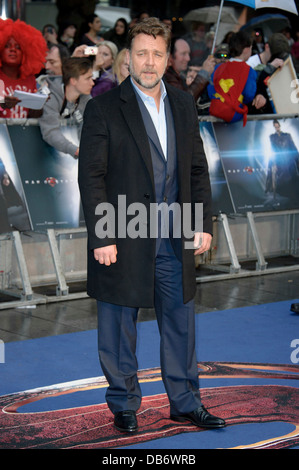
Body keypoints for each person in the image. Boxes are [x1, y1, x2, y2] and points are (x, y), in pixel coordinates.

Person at [78, 17, 226, 434]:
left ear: (166, 59)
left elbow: (197, 169)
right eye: (141, 53)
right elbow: (91, 176)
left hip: (174, 235)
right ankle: (123, 404)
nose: (149, 62)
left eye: (157, 54)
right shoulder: (104, 107)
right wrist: (102, 235)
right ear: (129, 57)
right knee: (118, 326)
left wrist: (202, 223)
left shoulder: (182, 104)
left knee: (181, 323)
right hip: (123, 235)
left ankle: (185, 401)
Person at [208, 31, 266, 126]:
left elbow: (210, 90)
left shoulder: (217, 68)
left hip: (215, 111)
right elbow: (249, 95)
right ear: (246, 50)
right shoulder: (249, 71)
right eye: (251, 48)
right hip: (234, 114)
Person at [39, 57, 93, 158]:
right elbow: (50, 132)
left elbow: (88, 127)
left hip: (66, 155)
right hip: (39, 152)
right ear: (73, 81)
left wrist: (89, 148)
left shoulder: (86, 98)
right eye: (87, 78)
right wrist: (75, 150)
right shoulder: (50, 97)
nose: (92, 83)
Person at [0, 18, 47, 119]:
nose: (13, 49)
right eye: (7, 46)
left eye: (18, 47)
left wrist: (39, 103)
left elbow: (34, 115)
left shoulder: (30, 79)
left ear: (26, 53)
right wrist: (2, 105)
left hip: (24, 133)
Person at [164, 37, 215, 102]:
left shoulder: (177, 76)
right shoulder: (168, 77)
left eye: (188, 54)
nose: (188, 58)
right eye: (183, 54)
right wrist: (204, 74)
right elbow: (184, 101)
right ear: (170, 57)